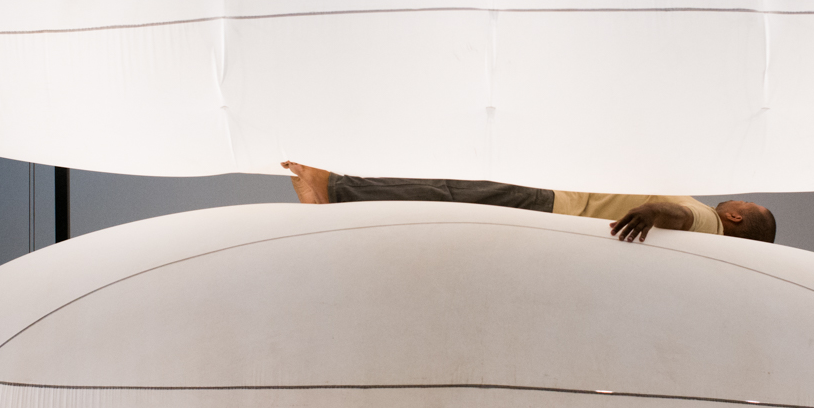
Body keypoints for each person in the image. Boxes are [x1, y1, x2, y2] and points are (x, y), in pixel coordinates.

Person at [281, 162, 776, 244]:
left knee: (451, 191)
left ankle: (335, 192)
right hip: (559, 205)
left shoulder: (709, 223)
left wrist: (653, 211)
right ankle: (339, 197)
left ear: (736, 216)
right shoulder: (708, 232)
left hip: (559, 205)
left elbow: (680, 216)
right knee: (452, 197)